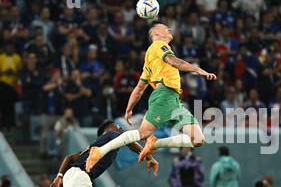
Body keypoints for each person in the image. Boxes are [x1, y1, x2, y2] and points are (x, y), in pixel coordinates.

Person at [85, 22, 217, 173]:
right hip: (164, 94)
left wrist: (129, 109)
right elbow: (174, 62)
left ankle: (154, 144)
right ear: (156, 34)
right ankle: (99, 151)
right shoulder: (159, 45)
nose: (169, 28)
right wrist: (197, 69)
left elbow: (139, 87)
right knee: (142, 134)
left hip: (174, 99)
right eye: (164, 27)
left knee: (198, 139)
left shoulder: (150, 59)